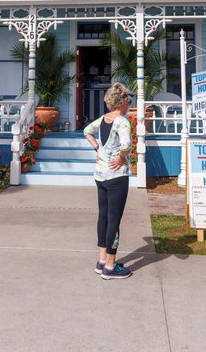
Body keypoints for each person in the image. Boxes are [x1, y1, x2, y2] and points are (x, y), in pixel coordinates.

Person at [83, 82, 133, 280]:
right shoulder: (122, 121)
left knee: (103, 216)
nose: (130, 102)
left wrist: (97, 148)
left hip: (100, 176)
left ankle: (102, 260)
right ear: (121, 101)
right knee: (114, 219)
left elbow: (87, 130)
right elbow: (127, 144)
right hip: (116, 176)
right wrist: (121, 157)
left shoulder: (103, 118)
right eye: (128, 99)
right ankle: (110, 267)